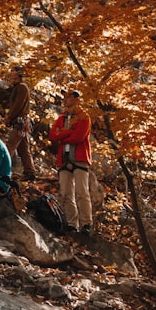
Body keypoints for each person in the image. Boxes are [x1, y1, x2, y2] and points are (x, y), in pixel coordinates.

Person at [48, 88, 93, 234]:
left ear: (75, 98)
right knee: (66, 193)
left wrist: (62, 133)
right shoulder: (62, 117)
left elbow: (78, 137)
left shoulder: (84, 117)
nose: (65, 99)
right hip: (64, 159)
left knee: (82, 192)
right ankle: (72, 224)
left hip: (79, 158)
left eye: (67, 97)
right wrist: (67, 132)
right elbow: (52, 135)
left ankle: (86, 224)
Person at [3, 65, 35, 180]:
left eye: (13, 71)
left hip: (20, 122)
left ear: (18, 73)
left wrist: (9, 116)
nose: (11, 73)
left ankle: (1, 168)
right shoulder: (18, 87)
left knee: (10, 145)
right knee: (23, 149)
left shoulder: (22, 87)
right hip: (21, 121)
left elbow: (18, 105)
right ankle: (30, 172)